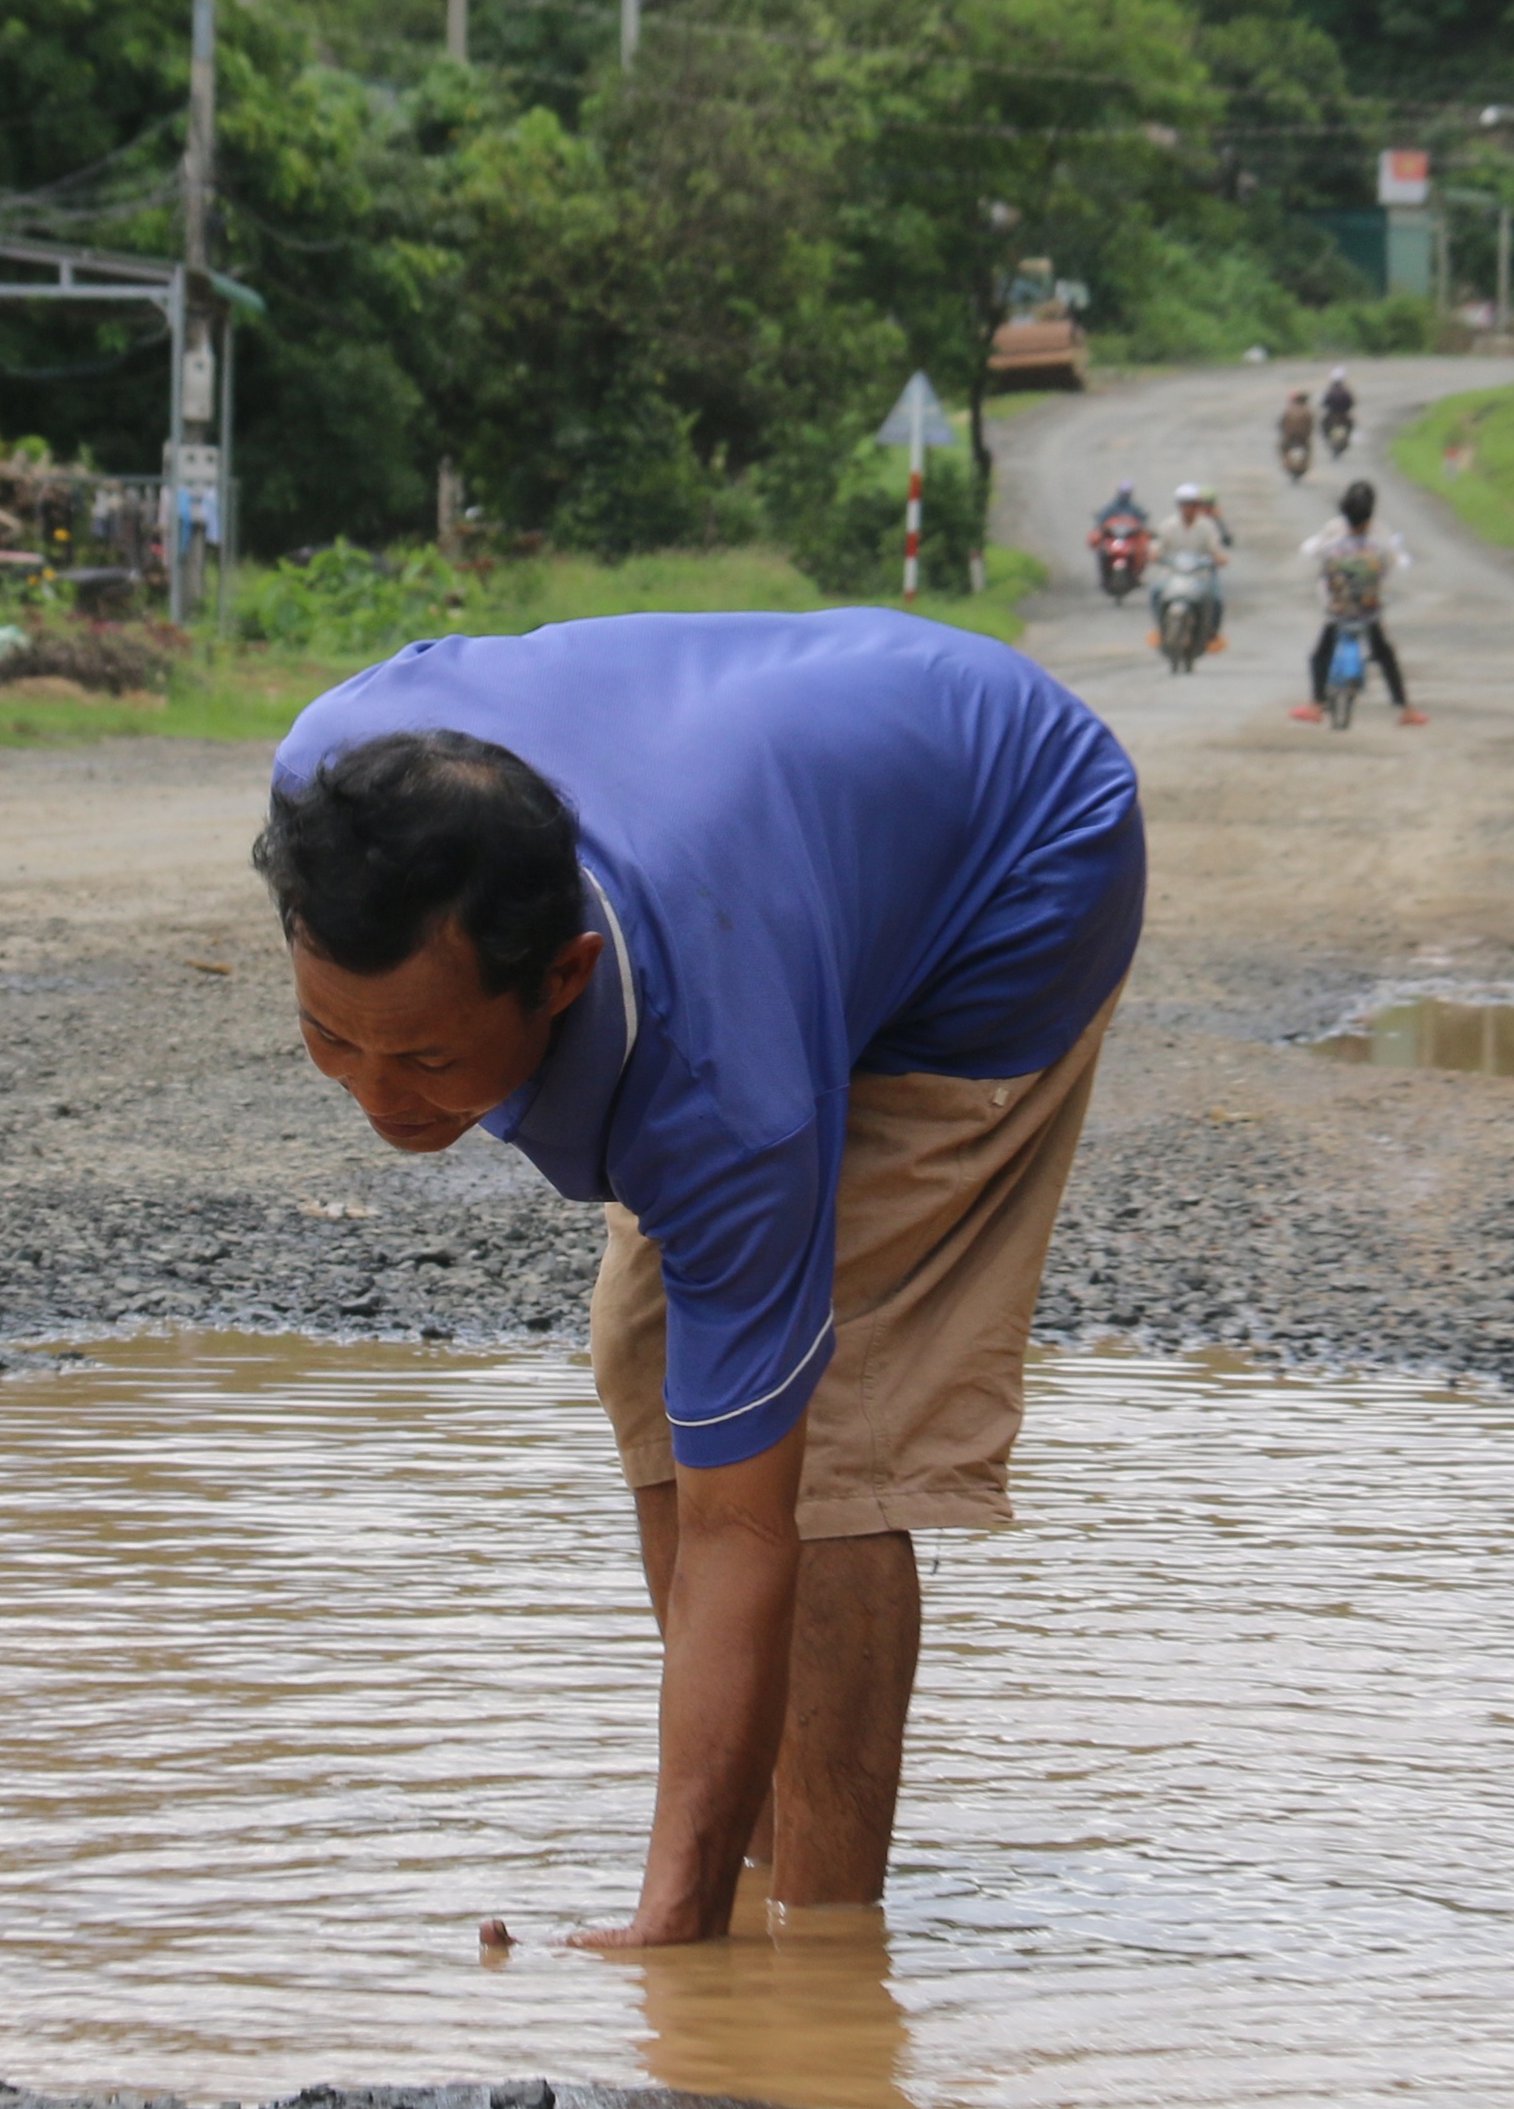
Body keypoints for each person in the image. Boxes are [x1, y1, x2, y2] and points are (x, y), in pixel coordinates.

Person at [257, 618, 1145, 1948]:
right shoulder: (335, 781)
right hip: (780, 833)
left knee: (829, 1437)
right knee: (650, 1356)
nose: (378, 1102)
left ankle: (817, 1937)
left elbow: (744, 1525)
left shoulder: (732, 1094)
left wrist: (666, 1944)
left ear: (566, 976)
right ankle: (740, 1851)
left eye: (430, 1062)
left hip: (1011, 856)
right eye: (331, 1037)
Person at [1301, 476, 1423, 724]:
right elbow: (1391, 564)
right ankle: (1406, 708)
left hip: (1337, 612)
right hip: (1369, 613)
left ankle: (1315, 703)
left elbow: (1318, 559)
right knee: (1386, 654)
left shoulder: (1333, 539)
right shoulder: (1380, 539)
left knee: (1319, 654)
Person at [1157, 481, 1236, 650]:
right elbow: (1158, 547)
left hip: (1200, 575)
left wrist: (1219, 558)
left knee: (1216, 599)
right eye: (1184, 505)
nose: (1188, 509)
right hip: (1172, 574)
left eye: (1192, 505)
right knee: (1155, 592)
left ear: (1197, 506)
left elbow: (1216, 549)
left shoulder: (1208, 527)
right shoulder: (1168, 526)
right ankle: (1160, 629)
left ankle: (1211, 633)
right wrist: (1155, 554)